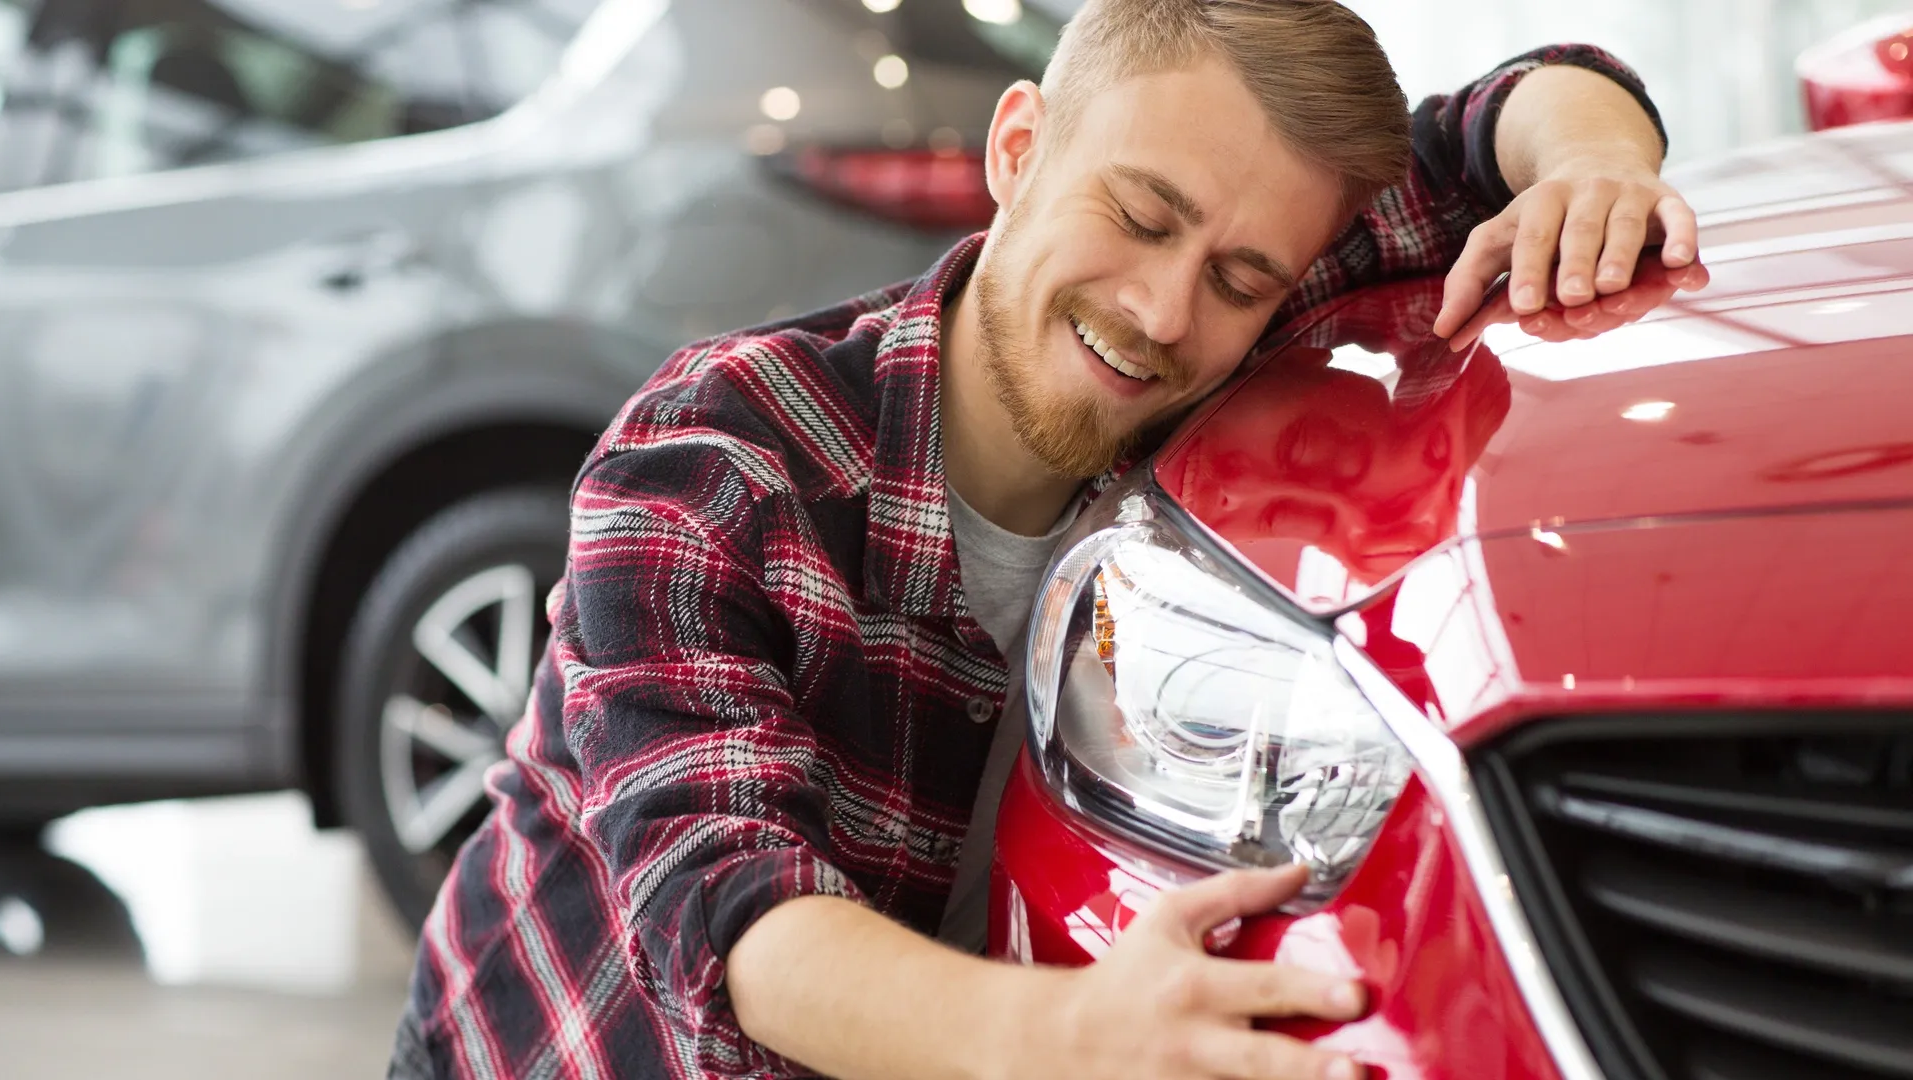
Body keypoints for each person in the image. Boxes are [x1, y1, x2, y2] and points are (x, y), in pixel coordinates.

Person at [389, 2, 1709, 1077]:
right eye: (1136, 218)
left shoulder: (1232, 291)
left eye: (1244, 280)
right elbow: (736, 920)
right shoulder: (713, 460)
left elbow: (1524, 101)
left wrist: (1598, 169)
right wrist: (1079, 1036)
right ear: (1017, 149)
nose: (1159, 310)